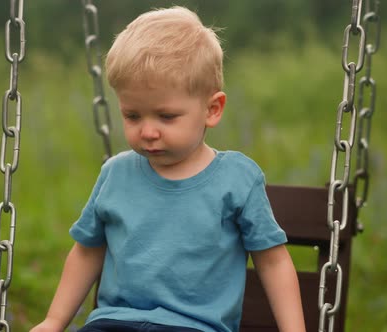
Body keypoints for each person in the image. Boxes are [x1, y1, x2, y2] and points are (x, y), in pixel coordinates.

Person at [31, 6, 305, 332]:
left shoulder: (236, 180)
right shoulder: (116, 175)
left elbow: (272, 262)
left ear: (212, 109)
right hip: (113, 325)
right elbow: (87, 252)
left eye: (166, 116)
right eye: (133, 116)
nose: (147, 131)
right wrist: (54, 320)